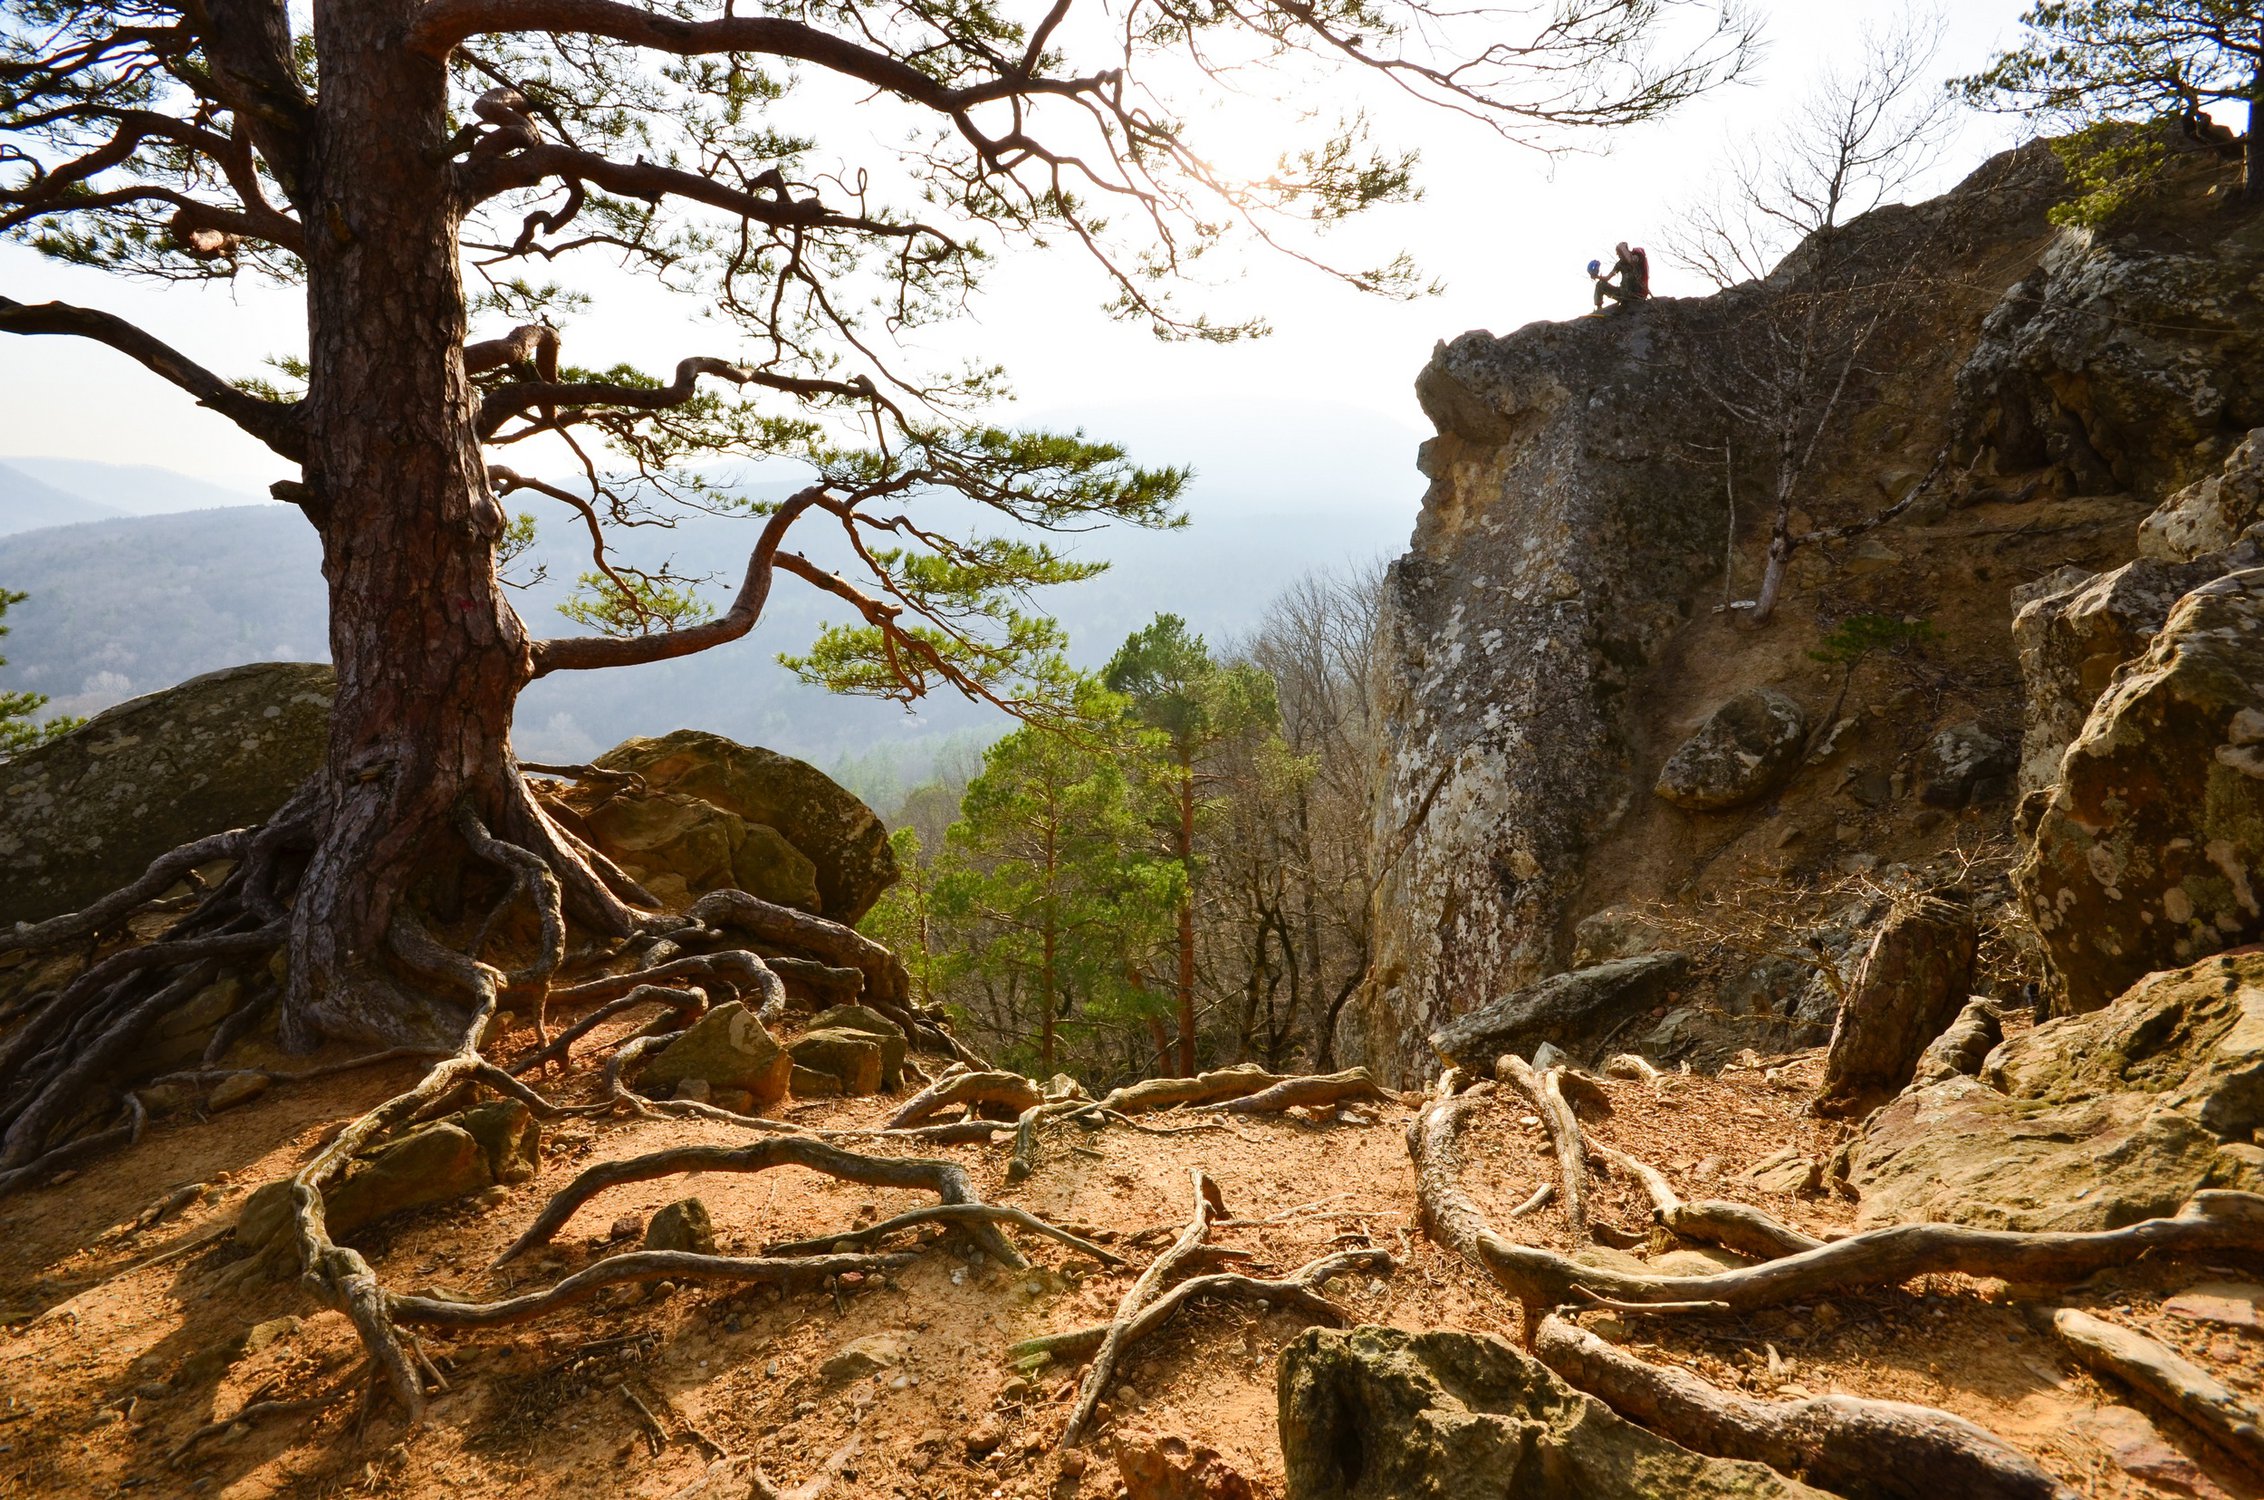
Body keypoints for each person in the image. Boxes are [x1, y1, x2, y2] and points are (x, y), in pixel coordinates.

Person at [1591, 241, 1651, 312]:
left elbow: (1632, 261)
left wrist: (1623, 250)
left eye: (1618, 252)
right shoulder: (1619, 264)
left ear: (1623, 251)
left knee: (1628, 276)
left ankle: (1627, 302)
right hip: (1623, 294)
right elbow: (1608, 278)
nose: (1617, 254)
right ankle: (1599, 308)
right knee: (1600, 284)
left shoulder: (1636, 257)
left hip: (1636, 293)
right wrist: (1597, 277)